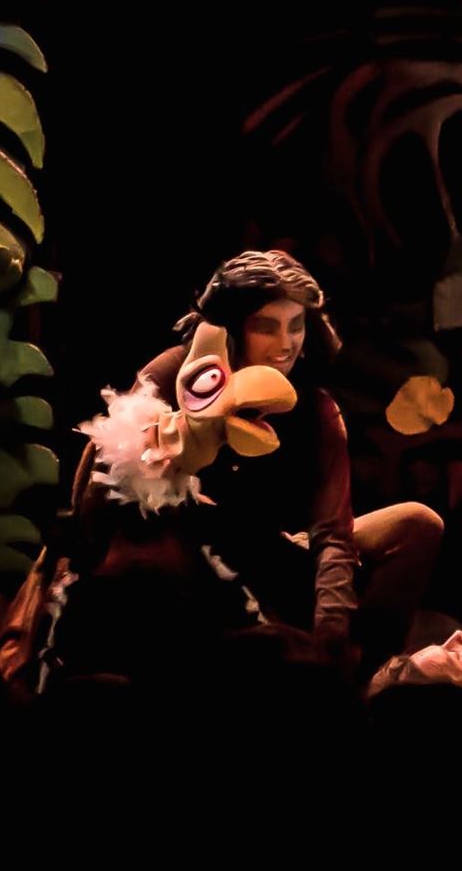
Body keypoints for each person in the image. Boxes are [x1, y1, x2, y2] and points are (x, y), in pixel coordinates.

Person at [121, 250, 444, 666]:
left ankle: (366, 679)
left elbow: (333, 534)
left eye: (296, 325)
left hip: (269, 552)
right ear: (232, 327)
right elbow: (109, 472)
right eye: (266, 327)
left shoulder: (314, 407)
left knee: (418, 524)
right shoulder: (177, 373)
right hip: (173, 556)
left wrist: (331, 639)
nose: (286, 343)